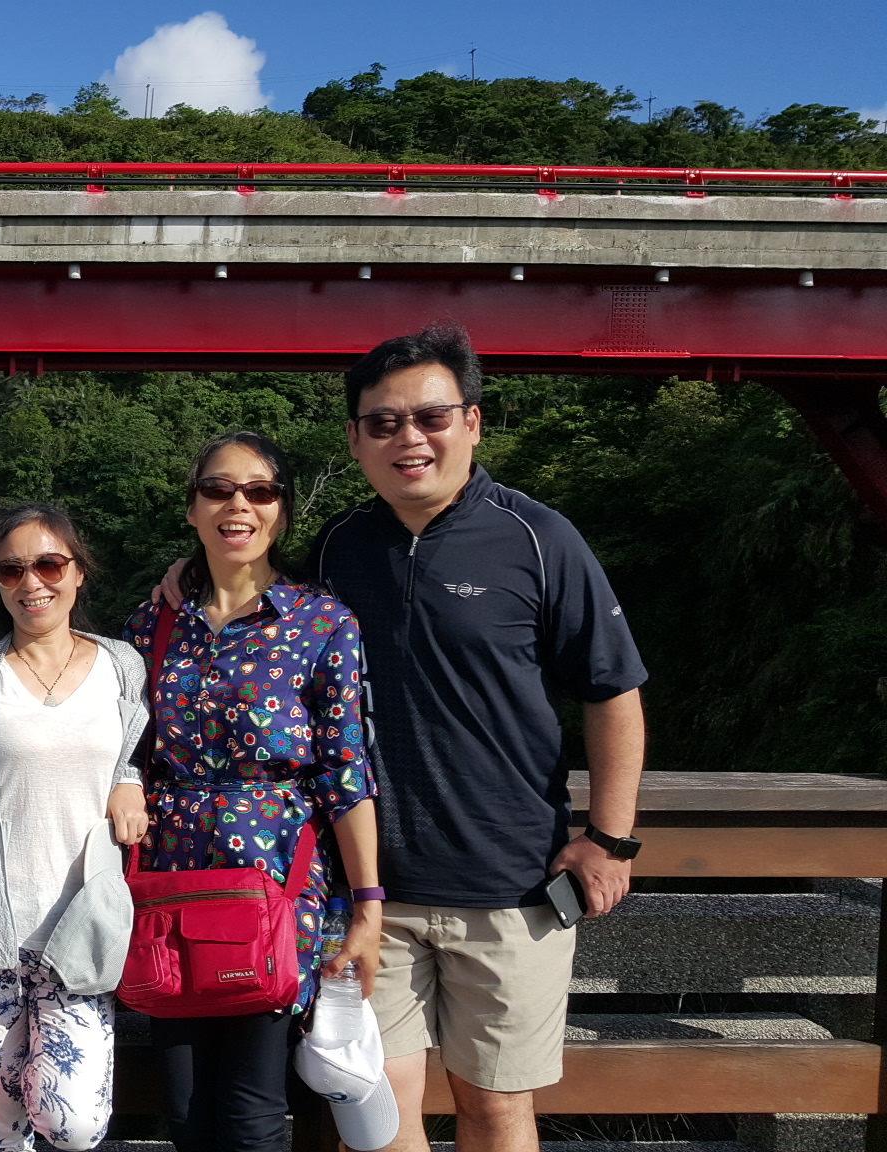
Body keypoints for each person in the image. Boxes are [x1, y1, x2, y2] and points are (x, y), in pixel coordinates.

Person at [311, 325, 647, 1152]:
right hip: (369, 892)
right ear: (354, 438)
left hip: (511, 884)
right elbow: (247, 597)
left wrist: (609, 839)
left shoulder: (539, 539)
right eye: (384, 422)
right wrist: (186, 575)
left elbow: (613, 690)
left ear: (472, 422)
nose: (409, 438)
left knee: (496, 1108)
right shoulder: (335, 549)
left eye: (431, 417)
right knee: (373, 1111)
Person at [126, 430, 384, 1152]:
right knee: (183, 1106)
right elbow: (124, 751)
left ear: (282, 511)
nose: (238, 505)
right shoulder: (151, 625)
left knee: (252, 1108)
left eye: (260, 491)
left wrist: (367, 906)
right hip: (171, 887)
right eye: (218, 490)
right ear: (192, 508)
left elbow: (346, 771)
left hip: (274, 886)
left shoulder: (321, 622)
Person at [0, 504, 149, 1152]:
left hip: (81, 935)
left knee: (73, 1123)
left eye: (48, 564)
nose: (31, 582)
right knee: (0, 1126)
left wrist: (129, 778)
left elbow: (136, 748)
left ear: (78, 572)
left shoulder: (121, 666)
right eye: (11, 569)